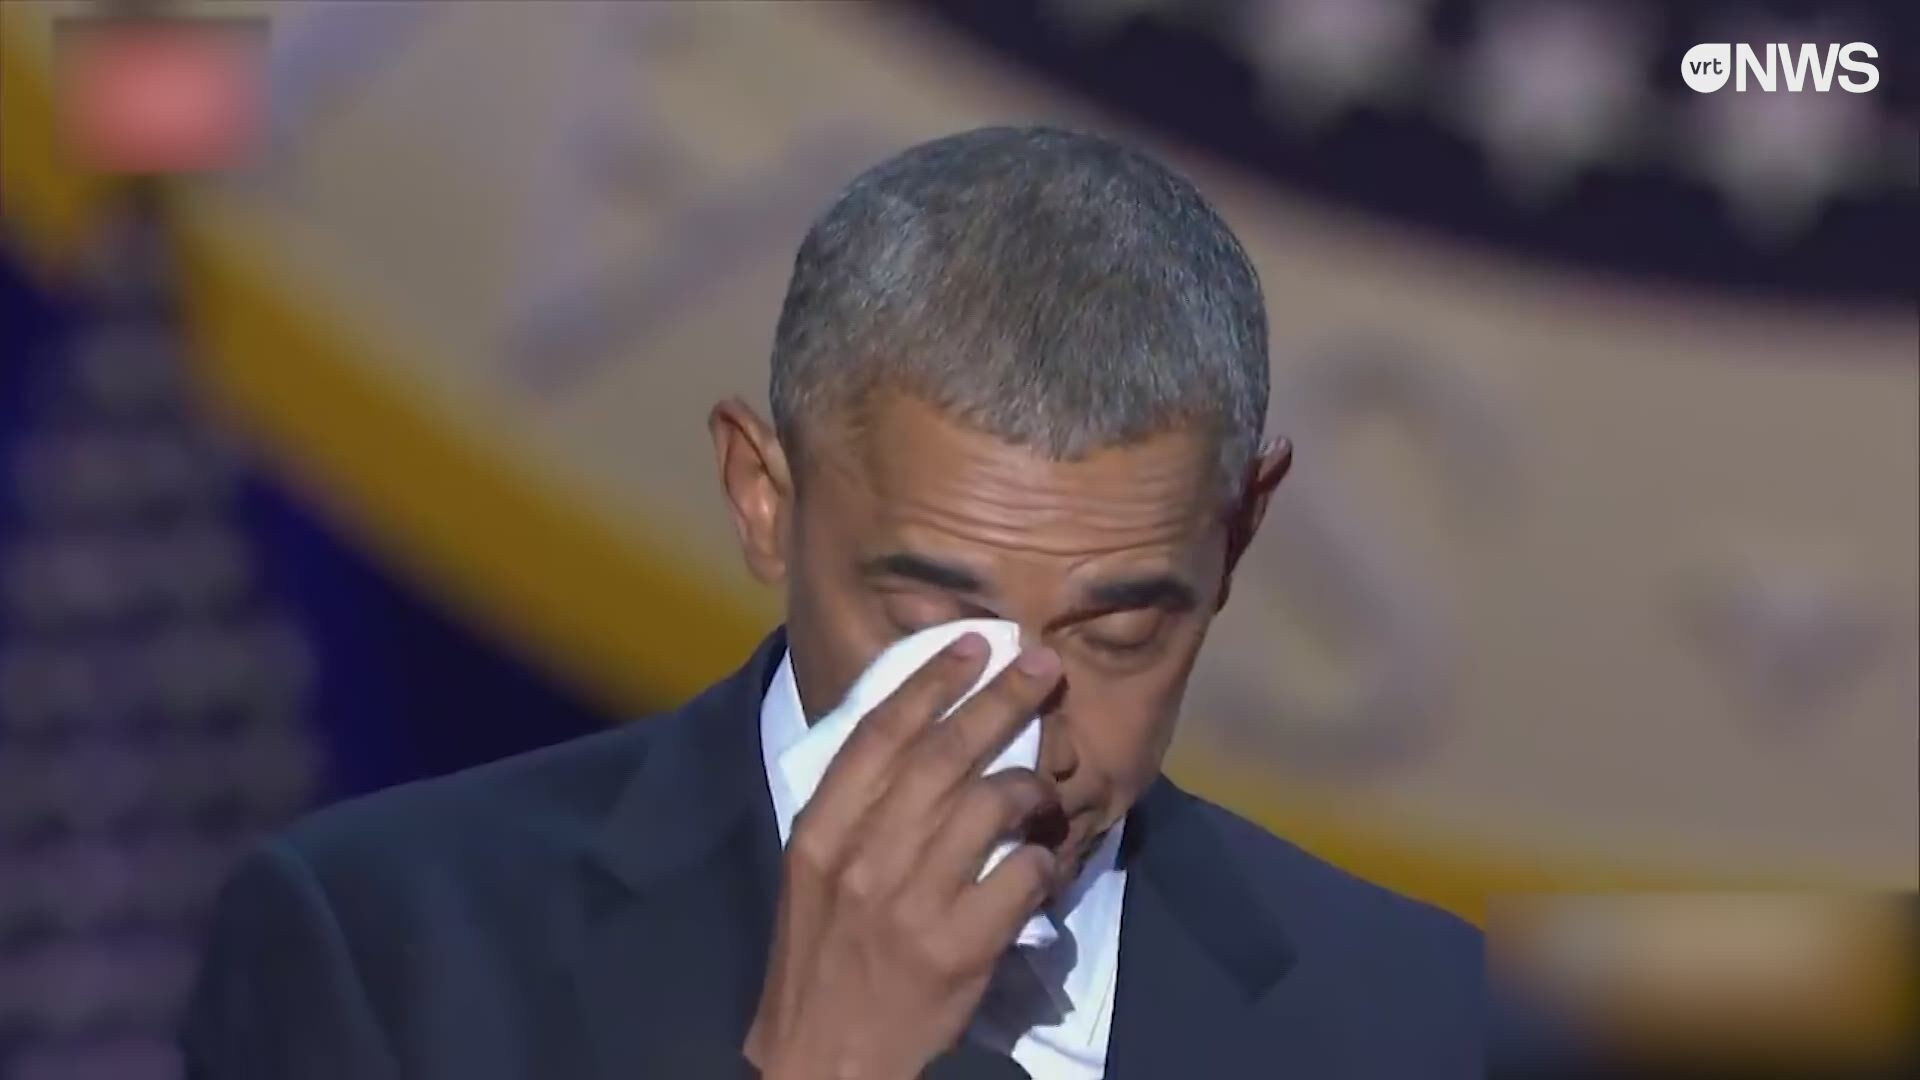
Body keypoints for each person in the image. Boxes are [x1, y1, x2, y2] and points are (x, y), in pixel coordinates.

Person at [181, 126, 1482, 1079]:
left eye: (1121, 631)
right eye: (935, 623)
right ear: (764, 497)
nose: (1026, 741)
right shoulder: (386, 954)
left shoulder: (1413, 1018)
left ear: (1238, 536)